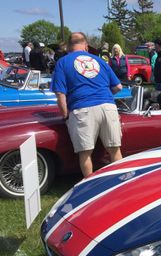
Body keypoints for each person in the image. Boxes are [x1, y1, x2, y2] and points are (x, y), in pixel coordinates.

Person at [51, 32, 123, 177]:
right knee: (114, 150)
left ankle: (89, 186)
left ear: (69, 46)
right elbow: (118, 87)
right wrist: (104, 96)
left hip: (82, 108)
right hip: (108, 107)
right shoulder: (100, 60)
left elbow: (60, 94)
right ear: (85, 45)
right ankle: (119, 184)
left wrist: (65, 115)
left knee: (85, 153)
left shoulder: (63, 62)